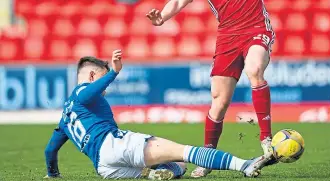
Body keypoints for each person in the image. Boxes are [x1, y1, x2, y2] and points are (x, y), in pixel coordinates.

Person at [146, 0, 330, 178]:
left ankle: (266, 140)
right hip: (227, 39)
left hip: (257, 28)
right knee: (219, 102)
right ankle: (208, 157)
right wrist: (163, 17)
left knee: (254, 69)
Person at [43, 49, 271, 179]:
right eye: (101, 79)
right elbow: (85, 94)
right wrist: (112, 72)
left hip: (104, 167)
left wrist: (52, 174)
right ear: (93, 76)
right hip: (114, 144)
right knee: (186, 152)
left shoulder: (65, 116)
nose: (105, 87)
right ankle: (244, 165)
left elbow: (50, 150)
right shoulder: (84, 91)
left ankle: (155, 173)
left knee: (178, 166)